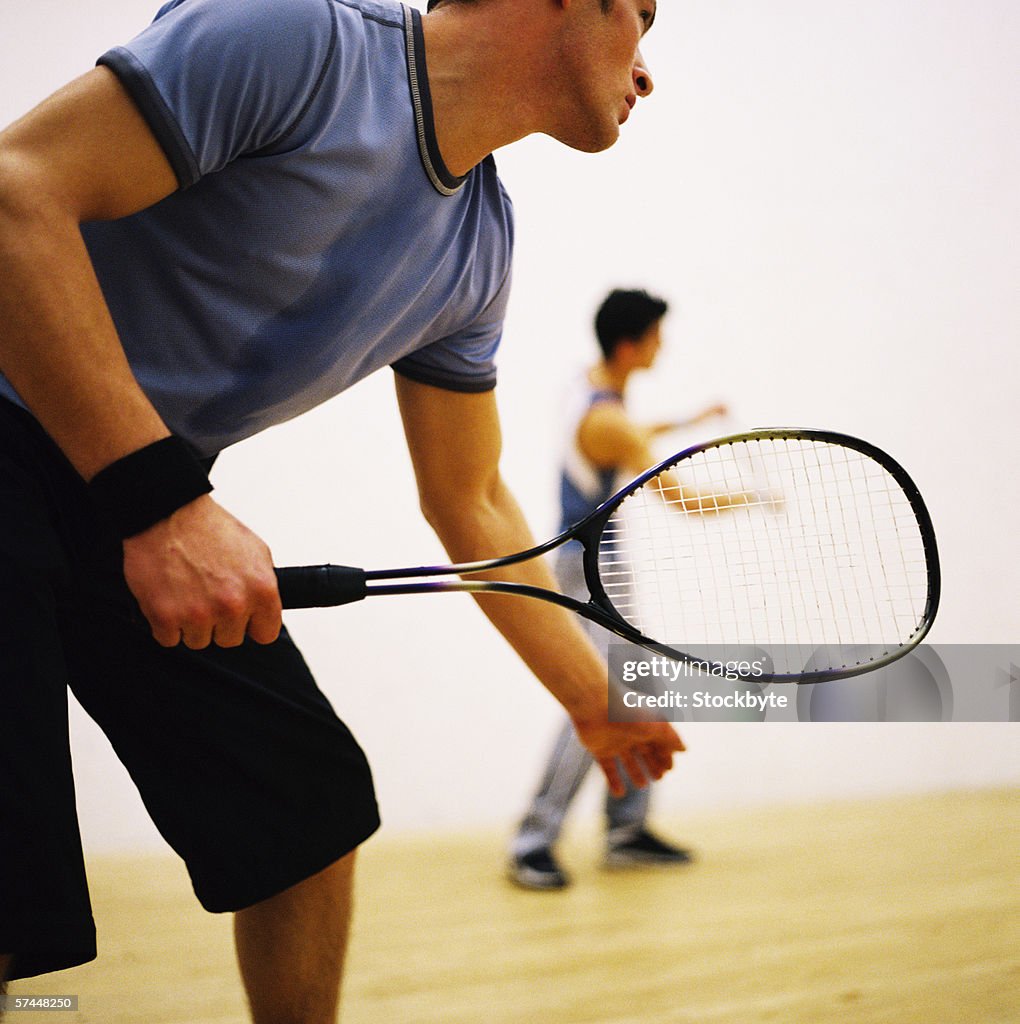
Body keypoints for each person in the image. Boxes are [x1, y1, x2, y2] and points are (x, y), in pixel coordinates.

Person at [0, 0, 681, 1019]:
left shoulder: (475, 253)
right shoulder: (295, 40)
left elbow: (472, 499)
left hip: (130, 492)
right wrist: (161, 501)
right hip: (34, 425)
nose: (647, 68)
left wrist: (589, 694)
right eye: (641, 14)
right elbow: (15, 192)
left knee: (306, 810)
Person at [509, 288, 727, 890]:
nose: (664, 344)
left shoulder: (593, 386)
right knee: (602, 697)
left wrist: (691, 420)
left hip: (593, 560)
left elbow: (628, 433)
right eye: (657, 334)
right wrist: (753, 498)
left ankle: (627, 831)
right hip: (590, 567)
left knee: (635, 686)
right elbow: (684, 500)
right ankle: (532, 839)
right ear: (632, 343)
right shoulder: (607, 418)